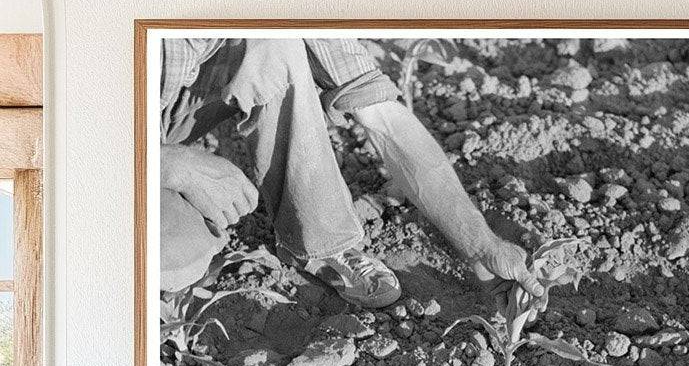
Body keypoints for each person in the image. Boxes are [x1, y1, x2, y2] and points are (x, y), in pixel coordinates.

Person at [158, 36, 542, 307]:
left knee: (274, 45)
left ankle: (316, 241)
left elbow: (386, 122)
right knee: (177, 255)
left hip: (163, 110)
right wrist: (174, 165)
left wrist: (482, 246)